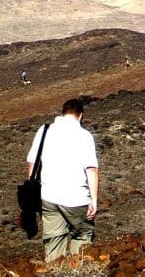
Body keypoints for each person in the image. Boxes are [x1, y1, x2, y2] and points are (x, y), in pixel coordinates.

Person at [26, 98, 99, 261]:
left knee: (53, 240)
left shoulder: (44, 130)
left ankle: (54, 275)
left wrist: (34, 190)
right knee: (82, 235)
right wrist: (93, 200)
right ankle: (79, 273)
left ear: (63, 113)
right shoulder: (84, 135)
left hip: (48, 197)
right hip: (76, 198)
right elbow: (91, 169)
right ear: (80, 116)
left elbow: (32, 163)